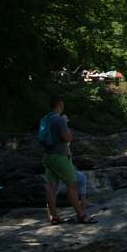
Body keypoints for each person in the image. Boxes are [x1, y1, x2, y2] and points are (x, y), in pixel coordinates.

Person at [37, 95, 92, 224]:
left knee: (51, 188)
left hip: (47, 157)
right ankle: (81, 215)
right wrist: (66, 124)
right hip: (60, 156)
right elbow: (67, 138)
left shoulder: (46, 118)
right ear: (60, 104)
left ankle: (54, 217)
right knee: (72, 185)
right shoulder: (59, 120)